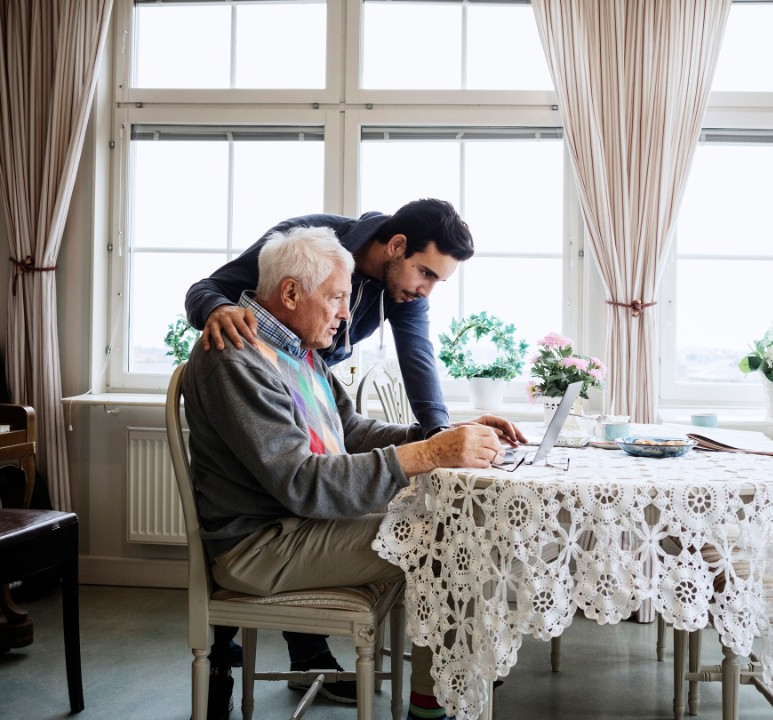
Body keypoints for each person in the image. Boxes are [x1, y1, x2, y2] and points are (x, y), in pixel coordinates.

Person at [182, 225, 524, 720]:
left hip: (301, 530)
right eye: (338, 297)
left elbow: (350, 429)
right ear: (291, 292)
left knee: (452, 527)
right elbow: (303, 483)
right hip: (260, 547)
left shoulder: (297, 350)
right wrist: (429, 455)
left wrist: (440, 439)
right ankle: (437, 708)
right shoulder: (237, 357)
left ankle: (447, 692)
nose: (348, 313)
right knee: (446, 538)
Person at [185, 198, 473, 435]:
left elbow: (418, 356)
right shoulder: (306, 244)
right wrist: (218, 309)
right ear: (397, 246)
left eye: (438, 281)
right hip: (258, 380)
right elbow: (207, 288)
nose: (427, 291)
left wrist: (438, 431)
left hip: (312, 384)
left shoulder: (406, 289)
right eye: (426, 273)